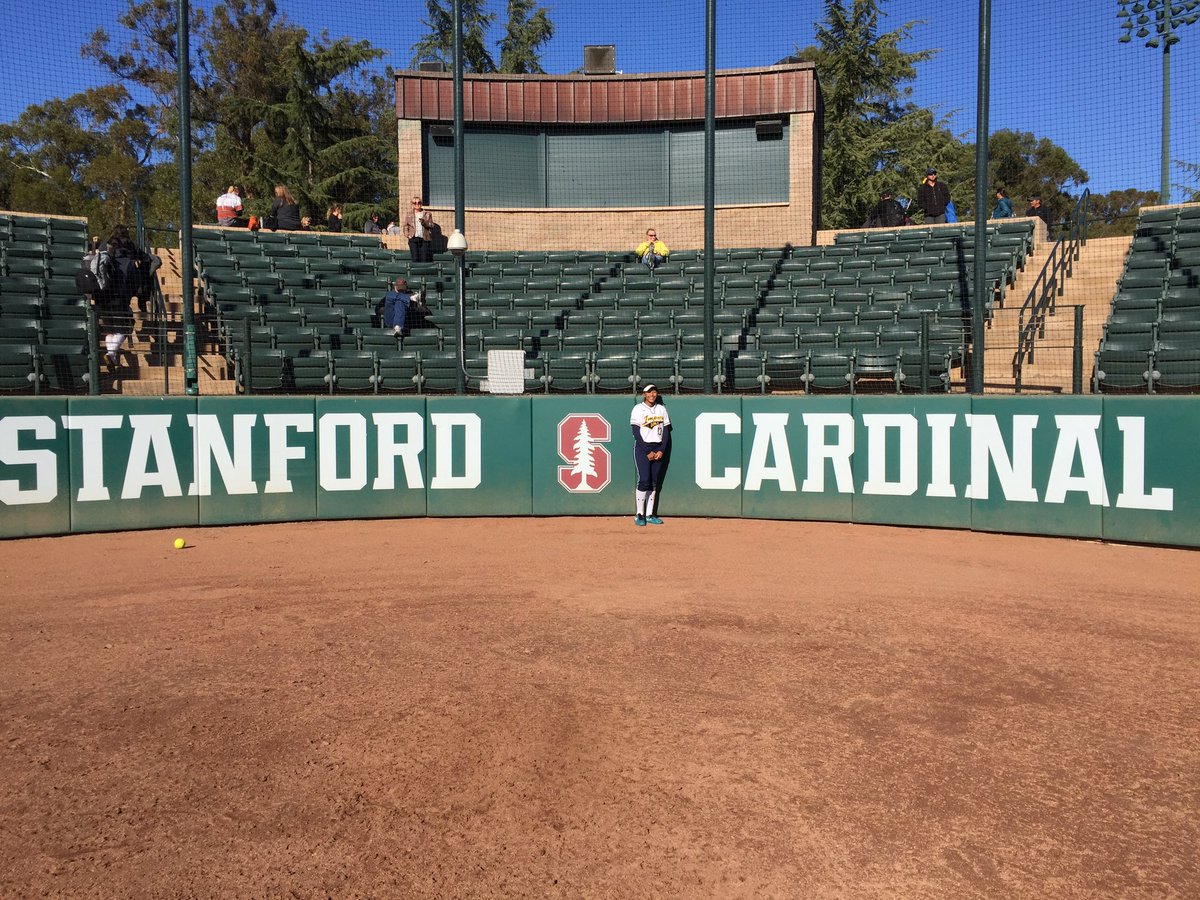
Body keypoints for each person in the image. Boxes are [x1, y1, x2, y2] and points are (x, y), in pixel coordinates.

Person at [630, 383, 671, 526]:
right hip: (643, 448)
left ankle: (649, 514)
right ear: (644, 394)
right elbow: (636, 433)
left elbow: (666, 432)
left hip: (658, 447)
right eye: (649, 392)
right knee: (644, 480)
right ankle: (639, 514)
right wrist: (647, 451)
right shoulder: (638, 409)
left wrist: (661, 450)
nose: (652, 395)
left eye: (654, 392)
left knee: (654, 482)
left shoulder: (661, 409)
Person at [403, 196, 435, 261]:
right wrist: (408, 235)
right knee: (415, 259)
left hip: (424, 239)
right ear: (412, 204)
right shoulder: (409, 214)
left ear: (421, 203)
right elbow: (405, 226)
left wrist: (424, 223)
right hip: (413, 239)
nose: (417, 204)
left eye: (419, 202)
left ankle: (423, 271)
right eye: (415, 203)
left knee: (424, 259)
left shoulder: (427, 214)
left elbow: (432, 225)